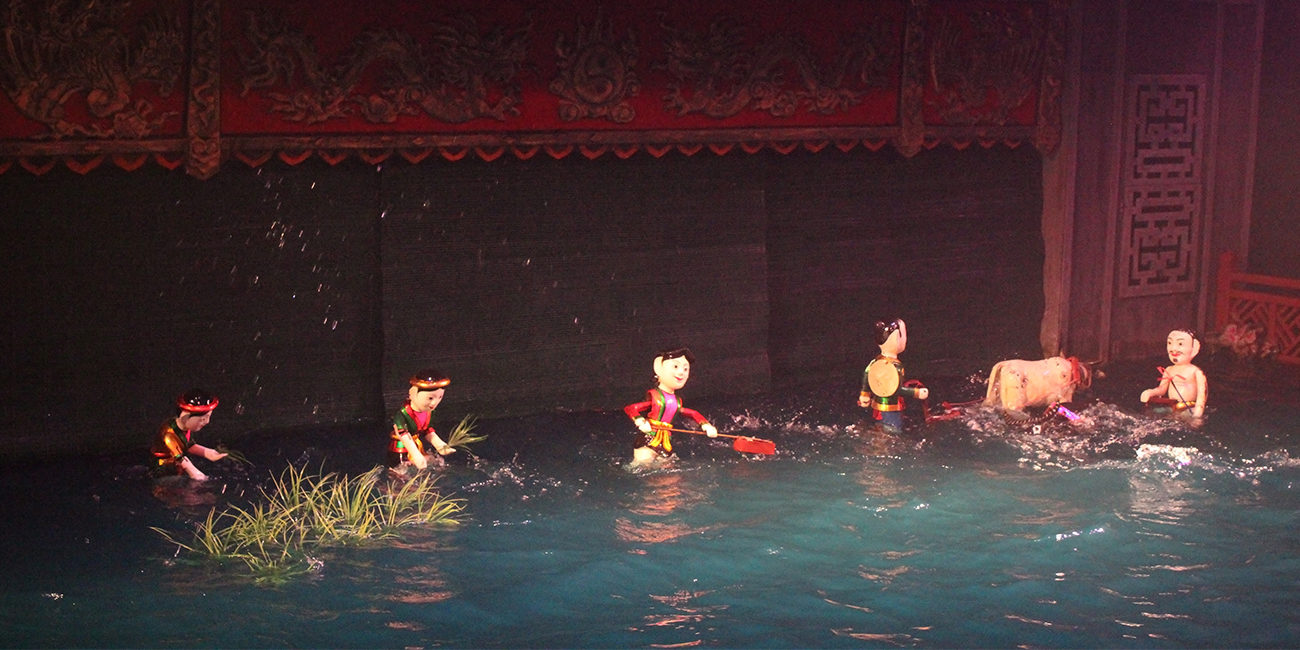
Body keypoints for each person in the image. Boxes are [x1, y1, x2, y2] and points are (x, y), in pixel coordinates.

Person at [623, 347, 718, 465]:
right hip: (648, 438)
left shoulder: (677, 401)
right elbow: (630, 408)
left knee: (668, 469)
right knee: (642, 464)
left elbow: (693, 413)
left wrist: (706, 425)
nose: (681, 372)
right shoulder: (655, 396)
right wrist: (640, 421)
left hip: (665, 441)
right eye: (675, 367)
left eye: (685, 369)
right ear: (658, 368)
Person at [857, 318, 928, 431]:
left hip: (879, 403)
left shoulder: (877, 360)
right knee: (893, 429)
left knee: (883, 423)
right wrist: (916, 393)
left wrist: (865, 394)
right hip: (891, 406)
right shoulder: (894, 366)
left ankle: (880, 433)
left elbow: (867, 374)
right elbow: (895, 389)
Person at [151, 389, 230, 481]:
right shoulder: (169, 435)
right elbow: (180, 459)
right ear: (185, 416)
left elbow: (189, 446)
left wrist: (209, 453)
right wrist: (196, 474)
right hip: (165, 468)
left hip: (178, 465)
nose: (207, 422)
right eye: (202, 419)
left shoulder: (183, 428)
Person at [388, 369, 457, 473]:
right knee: (401, 473)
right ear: (413, 393)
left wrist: (440, 446)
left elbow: (427, 431)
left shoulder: (429, 412)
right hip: (401, 450)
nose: (434, 403)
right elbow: (404, 436)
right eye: (430, 398)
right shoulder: (402, 414)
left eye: (440, 397)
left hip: (417, 446)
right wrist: (416, 455)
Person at [1140, 329, 1208, 420]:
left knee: (1184, 417)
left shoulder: (1196, 372)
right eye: (1170, 343)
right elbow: (1162, 389)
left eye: (1180, 344)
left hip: (1189, 408)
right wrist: (1150, 392)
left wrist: (1198, 411)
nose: (1173, 349)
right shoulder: (1169, 369)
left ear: (1194, 348)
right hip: (1172, 406)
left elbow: (1202, 395)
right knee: (1151, 414)